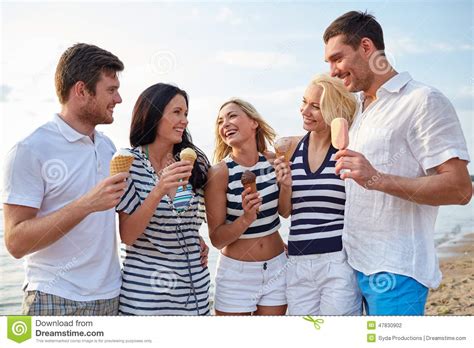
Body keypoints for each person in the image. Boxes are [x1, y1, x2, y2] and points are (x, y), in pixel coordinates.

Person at [323, 11, 472, 315]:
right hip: (351, 266)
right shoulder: (361, 111)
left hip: (396, 272)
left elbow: (460, 189)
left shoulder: (422, 100)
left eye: (337, 58)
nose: (333, 71)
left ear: (366, 47)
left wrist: (377, 178)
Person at [2, 43, 127, 315]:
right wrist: (86, 204)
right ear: (81, 90)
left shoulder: (108, 147)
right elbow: (15, 242)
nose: (118, 99)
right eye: (111, 90)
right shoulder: (30, 149)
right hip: (53, 298)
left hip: (111, 297)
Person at [116, 83, 211, 315]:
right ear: (153, 114)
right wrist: (159, 190)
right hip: (144, 298)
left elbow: (184, 219)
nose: (185, 120)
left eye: (186, 113)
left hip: (195, 296)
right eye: (177, 112)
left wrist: (193, 235)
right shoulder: (128, 162)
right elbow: (128, 235)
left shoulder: (194, 162)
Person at [275, 74, 362, 315]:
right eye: (304, 102)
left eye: (316, 106)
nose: (305, 110)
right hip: (297, 261)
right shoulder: (291, 147)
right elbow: (285, 212)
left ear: (335, 110)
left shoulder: (348, 148)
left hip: (337, 261)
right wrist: (285, 185)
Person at [205, 98, 287, 316]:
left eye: (232, 116)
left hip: (278, 268)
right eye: (220, 121)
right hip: (236, 275)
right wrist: (245, 219)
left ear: (254, 123)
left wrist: (286, 184)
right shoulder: (219, 174)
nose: (225, 124)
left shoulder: (273, 162)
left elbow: (285, 211)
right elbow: (216, 239)